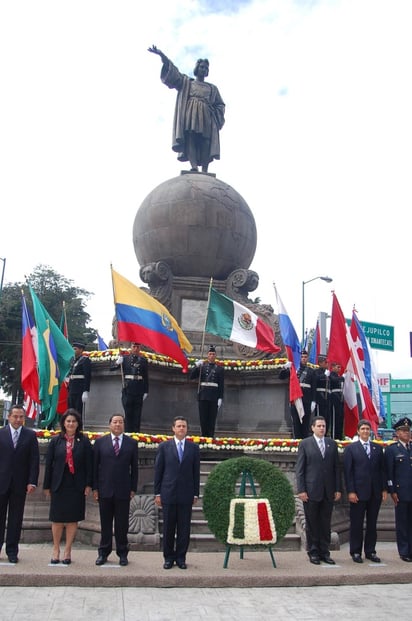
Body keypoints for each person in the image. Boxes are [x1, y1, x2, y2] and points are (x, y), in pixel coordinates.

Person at [148, 45, 225, 173]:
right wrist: (163, 57)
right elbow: (174, 74)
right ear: (197, 68)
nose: (203, 69)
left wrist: (215, 113)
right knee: (191, 138)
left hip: (206, 115)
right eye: (201, 67)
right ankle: (194, 166)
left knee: (206, 142)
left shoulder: (212, 88)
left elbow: (220, 104)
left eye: (206, 68)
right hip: (191, 113)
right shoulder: (187, 83)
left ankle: (205, 170)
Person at [43, 409, 93, 564]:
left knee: (72, 519)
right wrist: (46, 486)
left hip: (76, 484)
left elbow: (89, 465)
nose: (71, 424)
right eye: (68, 421)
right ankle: (56, 549)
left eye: (74, 421)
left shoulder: (84, 441)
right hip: (59, 483)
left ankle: (68, 550)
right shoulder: (56, 441)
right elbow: (49, 465)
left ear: (78, 424)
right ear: (63, 423)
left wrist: (88, 484)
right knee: (57, 519)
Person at [154, 416, 200, 570]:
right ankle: (168, 557)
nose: (181, 428)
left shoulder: (193, 448)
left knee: (184, 528)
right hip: (168, 493)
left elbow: (196, 472)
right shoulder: (164, 447)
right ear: (173, 428)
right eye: (179, 426)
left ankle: (181, 557)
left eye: (184, 426)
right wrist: (157, 493)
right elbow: (158, 471)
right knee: (168, 527)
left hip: (186, 494)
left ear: (187, 429)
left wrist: (195, 493)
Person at [93, 414, 138, 566]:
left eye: (120, 422)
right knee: (105, 524)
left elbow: (135, 469)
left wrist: (133, 488)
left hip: (123, 490)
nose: (117, 424)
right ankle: (103, 552)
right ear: (109, 424)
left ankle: (122, 553)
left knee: (122, 525)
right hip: (104, 489)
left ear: (124, 425)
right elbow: (95, 468)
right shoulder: (100, 443)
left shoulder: (131, 443)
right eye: (115, 422)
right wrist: (95, 488)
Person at [295, 416, 342, 565]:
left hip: (328, 491)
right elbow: (300, 469)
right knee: (312, 522)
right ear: (313, 428)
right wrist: (301, 490)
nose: (322, 428)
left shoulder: (331, 444)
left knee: (325, 522)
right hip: (311, 491)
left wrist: (337, 489)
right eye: (319, 426)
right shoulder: (305, 444)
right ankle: (313, 552)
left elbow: (336, 469)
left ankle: (325, 552)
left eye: (324, 426)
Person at [343, 419, 387, 563]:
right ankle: (355, 551)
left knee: (372, 523)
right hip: (358, 493)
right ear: (358, 431)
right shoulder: (351, 449)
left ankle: (370, 551)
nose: (365, 431)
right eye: (363, 429)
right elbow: (348, 473)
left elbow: (382, 471)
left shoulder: (377, 448)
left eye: (367, 429)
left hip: (375, 492)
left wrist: (384, 489)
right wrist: (351, 491)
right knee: (356, 523)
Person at [0, 404, 39, 563]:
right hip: (1, 482)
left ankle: (12, 551)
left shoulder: (30, 436)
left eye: (21, 417)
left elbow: (34, 461)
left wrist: (32, 481)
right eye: (15, 416)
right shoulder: (1, 434)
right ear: (9, 417)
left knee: (16, 519)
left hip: (20, 484)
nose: (18, 419)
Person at [385, 417, 412, 562]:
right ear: (397, 433)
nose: (407, 433)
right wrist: (392, 491)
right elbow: (389, 472)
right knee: (402, 523)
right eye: (404, 431)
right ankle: (404, 551)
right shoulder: (392, 450)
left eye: (408, 431)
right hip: (401, 492)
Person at [111, 342, 149, 433]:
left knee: (137, 414)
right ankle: (128, 433)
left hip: (139, 388)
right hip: (128, 388)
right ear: (131, 347)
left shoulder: (143, 360)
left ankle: (136, 434)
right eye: (134, 347)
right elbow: (112, 368)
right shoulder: (125, 358)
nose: (136, 349)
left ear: (140, 348)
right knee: (128, 413)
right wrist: (117, 362)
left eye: (137, 347)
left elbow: (146, 377)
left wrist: (146, 391)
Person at [279, 350, 316, 439]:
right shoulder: (294, 370)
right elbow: (281, 377)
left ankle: (305, 442)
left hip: (306, 400)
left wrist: (313, 401)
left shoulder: (311, 371)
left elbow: (314, 387)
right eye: (302, 357)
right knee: (296, 422)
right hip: (295, 399)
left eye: (305, 357)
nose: (303, 359)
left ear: (307, 358)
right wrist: (285, 367)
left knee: (306, 423)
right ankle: (297, 443)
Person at [190, 345, 224, 438]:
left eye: (213, 354)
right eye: (210, 354)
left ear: (215, 356)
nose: (212, 356)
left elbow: (221, 385)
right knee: (203, 418)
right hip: (203, 395)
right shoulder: (202, 367)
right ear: (207, 355)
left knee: (212, 419)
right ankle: (204, 436)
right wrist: (196, 366)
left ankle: (210, 437)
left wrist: (220, 397)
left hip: (214, 396)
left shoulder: (219, 369)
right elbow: (191, 376)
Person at [67, 341, 91, 420]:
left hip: (79, 389)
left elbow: (87, 376)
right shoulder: (74, 360)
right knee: (71, 410)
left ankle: (78, 428)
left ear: (81, 350)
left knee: (77, 411)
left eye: (75, 349)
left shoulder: (85, 360)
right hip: (72, 388)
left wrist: (85, 391)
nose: (73, 350)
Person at [313, 355, 331, 433]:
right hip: (320, 397)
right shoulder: (316, 371)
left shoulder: (328, 372)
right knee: (320, 417)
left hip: (327, 397)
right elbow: (315, 380)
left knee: (327, 418)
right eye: (325, 362)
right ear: (320, 363)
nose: (327, 364)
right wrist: (324, 375)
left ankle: (326, 433)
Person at [329, 362, 345, 440]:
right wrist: (342, 377)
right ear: (333, 367)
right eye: (337, 367)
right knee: (335, 419)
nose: (339, 369)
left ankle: (339, 437)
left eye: (340, 367)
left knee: (340, 419)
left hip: (340, 398)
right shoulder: (331, 374)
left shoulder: (339, 376)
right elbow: (334, 380)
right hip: (334, 397)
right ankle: (334, 437)